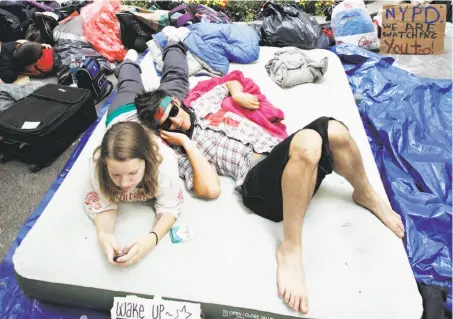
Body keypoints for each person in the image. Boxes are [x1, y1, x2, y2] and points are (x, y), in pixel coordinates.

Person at [135, 28, 405, 314]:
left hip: (284, 156)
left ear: (177, 103)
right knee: (311, 140)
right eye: (166, 125)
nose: (175, 124)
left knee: (335, 129)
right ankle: (290, 249)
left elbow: (227, 84)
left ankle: (364, 192)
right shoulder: (178, 153)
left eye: (172, 114)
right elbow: (209, 189)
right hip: (258, 185)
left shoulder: (202, 104)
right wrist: (185, 144)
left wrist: (237, 94)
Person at [84, 49, 183, 267]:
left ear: (147, 161)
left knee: (170, 85)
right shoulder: (97, 162)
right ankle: (129, 62)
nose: (125, 184)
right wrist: (105, 235)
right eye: (115, 175)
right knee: (128, 83)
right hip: (122, 114)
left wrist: (152, 239)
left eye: (132, 173)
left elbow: (169, 207)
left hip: (148, 117)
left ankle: (167, 48)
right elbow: (103, 205)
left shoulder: (164, 161)